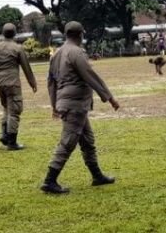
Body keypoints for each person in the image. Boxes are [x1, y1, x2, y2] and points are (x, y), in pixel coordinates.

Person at [41, 21, 121, 194]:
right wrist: (110, 98)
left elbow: (51, 82)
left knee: (87, 140)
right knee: (68, 142)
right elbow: (90, 76)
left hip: (68, 103)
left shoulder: (57, 54)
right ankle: (49, 180)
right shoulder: (76, 52)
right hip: (75, 103)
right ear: (80, 35)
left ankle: (97, 175)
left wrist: (54, 104)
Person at [0, 23, 37, 150]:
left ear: (3, 33)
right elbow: (26, 67)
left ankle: (4, 134)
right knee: (15, 111)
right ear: (14, 33)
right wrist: (32, 83)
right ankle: (12, 142)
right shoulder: (17, 48)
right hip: (12, 83)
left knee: (7, 108)